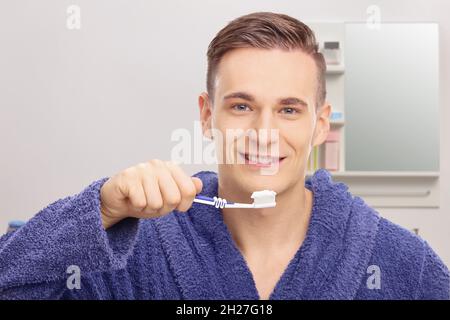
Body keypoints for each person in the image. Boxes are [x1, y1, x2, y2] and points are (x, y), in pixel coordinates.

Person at [0, 12, 448, 300]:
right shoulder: (135, 249)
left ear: (320, 124)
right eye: (241, 106)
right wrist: (100, 210)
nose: (264, 133)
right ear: (207, 114)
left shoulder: (401, 263)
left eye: (289, 110)